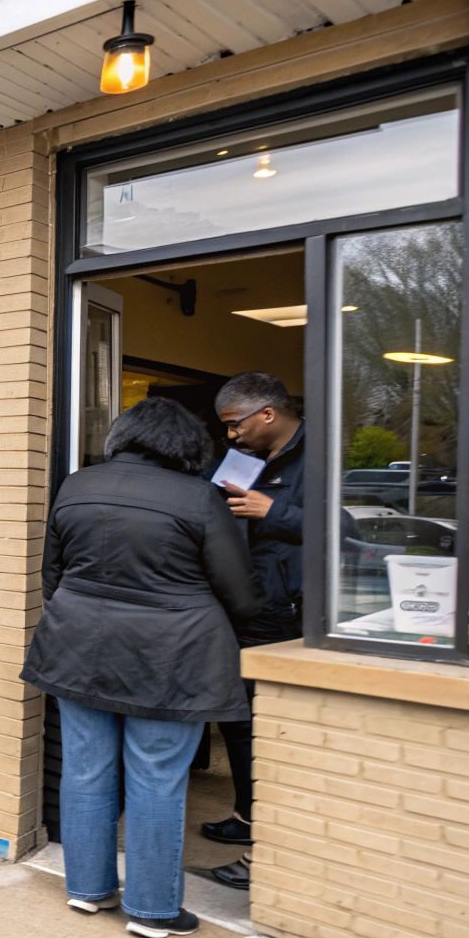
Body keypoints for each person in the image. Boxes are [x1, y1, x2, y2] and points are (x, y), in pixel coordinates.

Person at [21, 397, 260, 938]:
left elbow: (51, 575)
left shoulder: (78, 485)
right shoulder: (201, 498)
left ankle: (88, 889)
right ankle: (152, 911)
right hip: (171, 659)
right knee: (157, 778)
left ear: (123, 436)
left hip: (76, 647)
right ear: (188, 446)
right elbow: (241, 597)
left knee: (85, 771)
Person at [202, 371, 306, 889]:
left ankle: (272, 841)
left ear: (266, 414)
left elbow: (356, 528)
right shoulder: (242, 461)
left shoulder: (323, 453)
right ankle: (247, 818)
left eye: (234, 425)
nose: (231, 436)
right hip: (243, 606)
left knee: (273, 728)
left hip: (292, 616)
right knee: (240, 723)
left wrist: (276, 511)